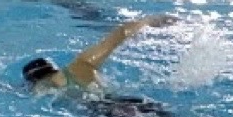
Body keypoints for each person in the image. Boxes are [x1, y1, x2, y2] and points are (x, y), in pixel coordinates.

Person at [22, 13, 177, 101]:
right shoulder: (80, 65)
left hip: (103, 116)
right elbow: (116, 37)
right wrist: (147, 21)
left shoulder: (40, 91)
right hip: (126, 104)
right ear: (54, 68)